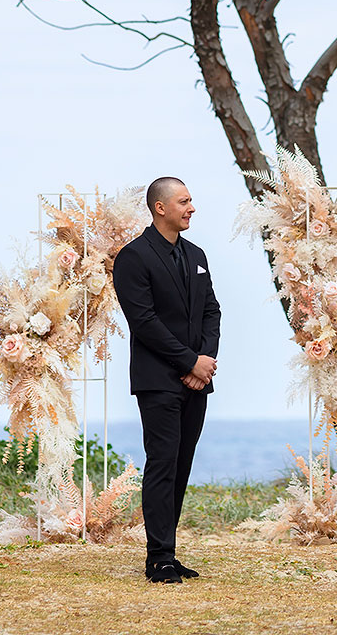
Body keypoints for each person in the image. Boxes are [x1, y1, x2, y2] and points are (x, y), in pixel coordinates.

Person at [112, 177, 220, 584]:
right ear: (161, 208)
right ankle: (158, 558)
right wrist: (189, 361)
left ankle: (168, 551)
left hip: (197, 378)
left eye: (191, 200)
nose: (192, 208)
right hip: (158, 380)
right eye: (184, 201)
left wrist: (205, 361)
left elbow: (212, 311)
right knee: (162, 464)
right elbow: (144, 322)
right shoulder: (133, 257)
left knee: (181, 464)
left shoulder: (196, 254)